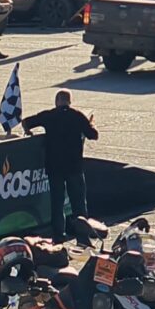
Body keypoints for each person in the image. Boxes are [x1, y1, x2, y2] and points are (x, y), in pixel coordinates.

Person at [21, 90, 99, 238]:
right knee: (78, 203)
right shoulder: (77, 116)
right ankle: (82, 234)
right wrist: (91, 123)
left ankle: (58, 234)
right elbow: (93, 135)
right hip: (74, 167)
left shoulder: (49, 115)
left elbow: (26, 122)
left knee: (57, 203)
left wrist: (27, 131)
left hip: (54, 167)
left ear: (57, 101)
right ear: (69, 101)